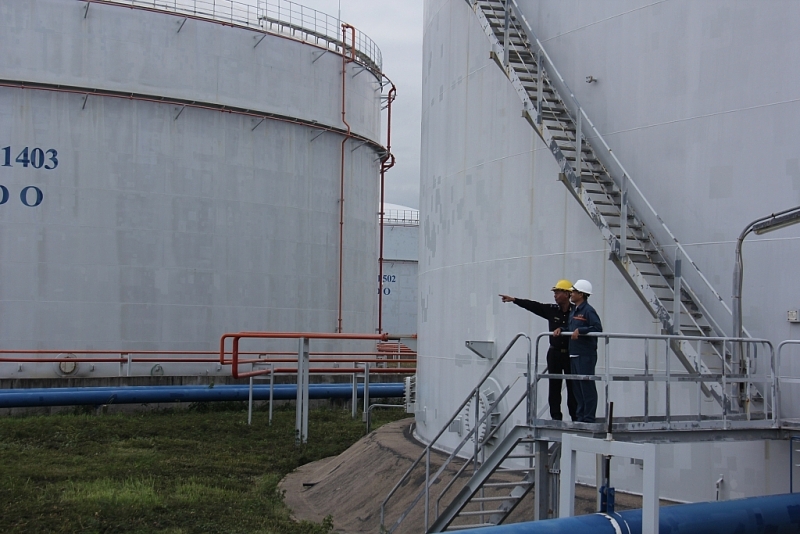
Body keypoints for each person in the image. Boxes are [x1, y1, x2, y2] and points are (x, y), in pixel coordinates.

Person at [499, 280, 577, 421]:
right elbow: (534, 306)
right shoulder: (552, 310)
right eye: (554, 292)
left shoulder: (576, 311)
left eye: (558, 292)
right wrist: (515, 300)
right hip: (555, 353)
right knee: (554, 386)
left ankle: (575, 417)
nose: (555, 295)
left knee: (573, 386)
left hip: (570, 353)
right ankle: (556, 418)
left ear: (567, 294)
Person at [554, 279, 602, 423]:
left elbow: (597, 328)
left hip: (585, 354)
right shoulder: (574, 311)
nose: (571, 294)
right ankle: (580, 416)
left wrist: (581, 330)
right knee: (577, 387)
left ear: (581, 294)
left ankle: (588, 417)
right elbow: (571, 328)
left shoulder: (588, 311)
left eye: (573, 292)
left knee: (586, 386)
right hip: (574, 353)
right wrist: (561, 330)